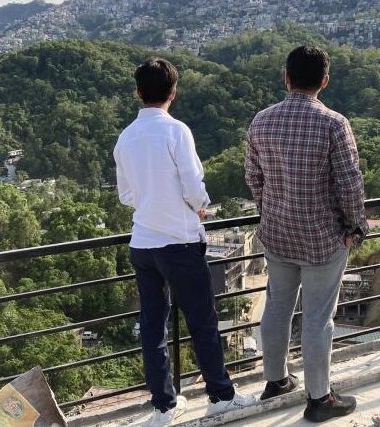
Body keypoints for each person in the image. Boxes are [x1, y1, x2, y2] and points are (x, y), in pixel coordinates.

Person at [114, 58, 256, 427]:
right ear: (173, 93)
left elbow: (126, 195)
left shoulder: (126, 137)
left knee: (153, 327)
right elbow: (194, 187)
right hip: (178, 240)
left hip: (142, 243)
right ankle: (221, 397)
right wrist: (200, 207)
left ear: (137, 92)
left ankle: (164, 405)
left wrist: (150, 199)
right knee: (202, 322)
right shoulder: (176, 131)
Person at [245, 45, 368, 423]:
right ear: (324, 81)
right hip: (322, 238)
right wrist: (354, 227)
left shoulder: (261, 121)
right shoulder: (334, 123)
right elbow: (349, 183)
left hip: (278, 233)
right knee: (318, 319)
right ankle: (319, 399)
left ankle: (277, 380)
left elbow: (253, 177)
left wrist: (271, 210)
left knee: (277, 308)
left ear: (286, 77)